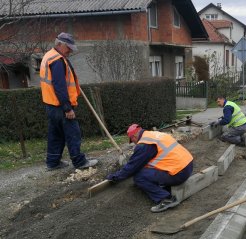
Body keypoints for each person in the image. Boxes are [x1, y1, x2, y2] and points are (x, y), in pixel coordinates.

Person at [40, 32, 98, 171]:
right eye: (68, 47)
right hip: (60, 106)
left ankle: (53, 162)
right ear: (60, 44)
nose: (70, 50)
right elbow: (60, 86)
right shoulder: (57, 60)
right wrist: (68, 108)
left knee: (56, 134)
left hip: (51, 105)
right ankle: (79, 162)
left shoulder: (50, 56)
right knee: (73, 132)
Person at [106, 124, 194, 213]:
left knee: (139, 177)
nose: (134, 143)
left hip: (179, 173)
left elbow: (132, 167)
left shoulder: (144, 145)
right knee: (146, 170)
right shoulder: (153, 135)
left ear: (134, 137)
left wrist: (114, 177)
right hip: (187, 166)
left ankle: (166, 199)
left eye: (132, 140)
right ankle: (164, 187)